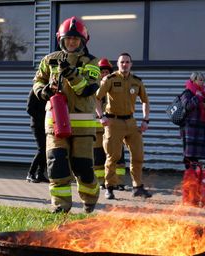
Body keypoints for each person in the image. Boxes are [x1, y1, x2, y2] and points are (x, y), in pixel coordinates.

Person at [32, 16, 101, 213]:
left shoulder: (92, 62)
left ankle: (90, 198)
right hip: (55, 122)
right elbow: (37, 81)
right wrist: (43, 90)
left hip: (82, 125)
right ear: (61, 40)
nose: (71, 42)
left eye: (75, 39)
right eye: (68, 39)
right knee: (56, 165)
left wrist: (71, 73)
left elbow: (87, 89)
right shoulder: (49, 60)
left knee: (82, 168)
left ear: (83, 41)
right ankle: (61, 207)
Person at [95, 53, 152, 200]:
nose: (124, 65)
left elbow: (145, 101)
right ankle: (109, 187)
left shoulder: (136, 81)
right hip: (114, 122)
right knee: (113, 156)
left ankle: (137, 187)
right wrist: (101, 116)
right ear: (118, 64)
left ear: (131, 64)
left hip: (131, 122)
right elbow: (96, 98)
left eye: (127, 62)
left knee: (138, 155)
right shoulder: (110, 79)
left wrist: (145, 120)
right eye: (122, 62)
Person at [94, 58, 127, 190]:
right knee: (98, 157)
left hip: (114, 129)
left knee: (117, 156)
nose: (104, 74)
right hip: (96, 131)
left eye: (107, 71)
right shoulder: (93, 89)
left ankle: (118, 182)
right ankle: (101, 182)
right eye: (102, 72)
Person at [179, 72, 205, 166]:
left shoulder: (203, 94)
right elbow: (187, 106)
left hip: (200, 128)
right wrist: (197, 97)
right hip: (189, 129)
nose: (203, 82)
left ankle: (196, 176)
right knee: (189, 156)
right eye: (200, 80)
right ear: (194, 80)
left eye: (203, 80)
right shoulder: (187, 92)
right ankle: (189, 176)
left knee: (197, 158)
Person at [25, 89, 48, 183]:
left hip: (47, 125)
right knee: (42, 149)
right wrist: (42, 118)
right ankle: (30, 174)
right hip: (37, 125)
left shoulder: (48, 91)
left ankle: (40, 174)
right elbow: (29, 109)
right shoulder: (34, 92)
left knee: (46, 150)